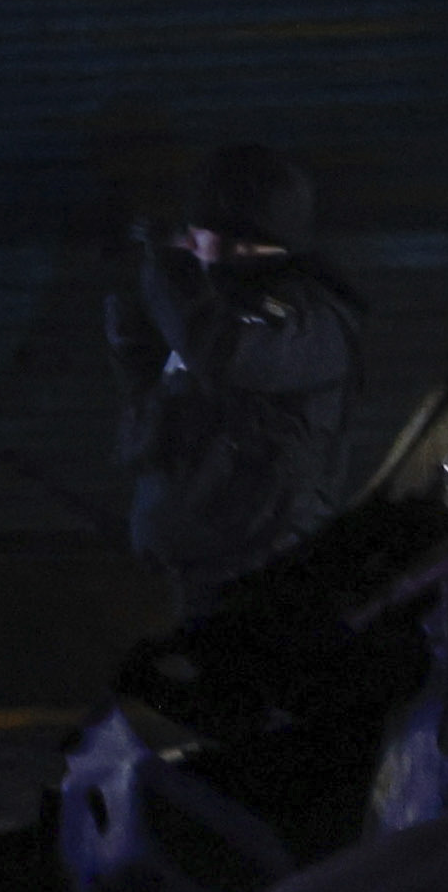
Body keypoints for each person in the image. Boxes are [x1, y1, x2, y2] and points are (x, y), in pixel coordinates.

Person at [108, 144, 363, 614]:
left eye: (200, 235)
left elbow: (226, 353)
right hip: (200, 568)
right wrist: (135, 305)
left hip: (271, 572)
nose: (191, 246)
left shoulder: (309, 319)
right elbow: (154, 395)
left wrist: (167, 275)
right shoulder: (206, 307)